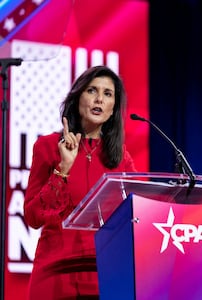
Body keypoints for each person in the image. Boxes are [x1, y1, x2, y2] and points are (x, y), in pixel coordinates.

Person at [24, 65, 137, 299]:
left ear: (113, 107)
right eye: (92, 91)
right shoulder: (47, 147)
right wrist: (63, 169)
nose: (99, 99)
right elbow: (33, 217)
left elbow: (138, 212)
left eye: (108, 94)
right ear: (78, 97)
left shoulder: (121, 158)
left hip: (103, 276)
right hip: (55, 273)